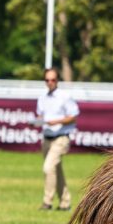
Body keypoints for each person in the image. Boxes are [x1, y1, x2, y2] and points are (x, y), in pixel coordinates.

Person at [36, 68, 79, 210]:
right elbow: (41, 116)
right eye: (47, 80)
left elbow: (73, 117)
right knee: (56, 170)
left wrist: (57, 121)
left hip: (61, 137)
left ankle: (47, 202)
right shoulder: (42, 97)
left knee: (48, 168)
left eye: (53, 80)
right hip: (47, 138)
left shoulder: (64, 96)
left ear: (57, 81)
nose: (50, 82)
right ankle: (65, 203)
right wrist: (37, 121)